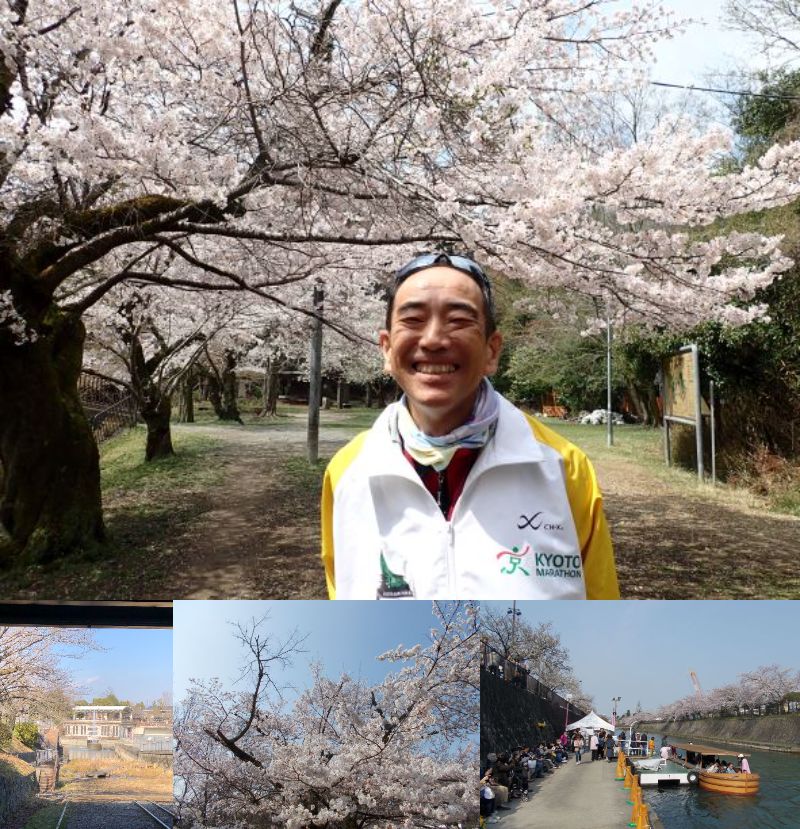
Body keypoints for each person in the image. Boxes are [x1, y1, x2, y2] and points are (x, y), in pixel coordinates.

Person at [321, 251, 620, 599]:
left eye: (459, 320)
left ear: (492, 351)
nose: (433, 339)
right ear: (386, 349)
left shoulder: (564, 468)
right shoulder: (346, 473)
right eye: (413, 319)